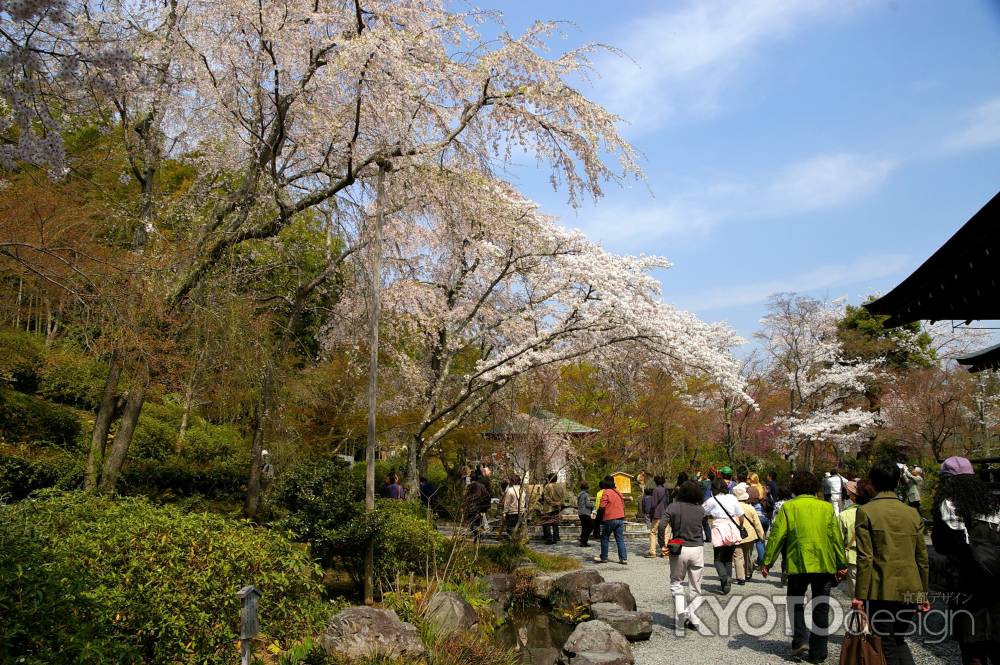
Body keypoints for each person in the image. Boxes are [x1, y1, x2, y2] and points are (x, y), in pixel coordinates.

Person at [762, 471, 848, 664]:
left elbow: (777, 535)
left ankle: (800, 639)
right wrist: (841, 563)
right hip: (824, 563)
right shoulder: (826, 508)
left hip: (798, 561)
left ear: (795, 488)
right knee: (821, 606)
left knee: (795, 601)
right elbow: (835, 537)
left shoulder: (789, 507)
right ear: (815, 488)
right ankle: (818, 652)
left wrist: (767, 561)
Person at [853, 459, 929, 665]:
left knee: (885, 641)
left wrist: (860, 595)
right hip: (911, 587)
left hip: (881, 588)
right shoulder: (912, 513)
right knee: (898, 638)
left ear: (872, 482)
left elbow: (865, 557)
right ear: (897, 482)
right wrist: (923, 593)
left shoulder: (866, 511)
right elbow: (922, 557)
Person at [931, 456, 1000, 665]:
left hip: (966, 584)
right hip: (995, 581)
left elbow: (943, 545)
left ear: (947, 481)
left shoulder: (948, 505)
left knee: (972, 649)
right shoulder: (992, 504)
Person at [663, 480, 708, 631]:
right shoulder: (701, 510)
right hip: (697, 548)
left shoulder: (673, 506)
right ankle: (694, 619)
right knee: (695, 586)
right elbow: (704, 528)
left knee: (676, 583)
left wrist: (662, 544)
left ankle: (681, 615)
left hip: (678, 548)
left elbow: (662, 525)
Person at [703, 478, 743, 594]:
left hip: (719, 528)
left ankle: (724, 577)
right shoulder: (732, 498)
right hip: (732, 528)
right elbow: (741, 515)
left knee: (718, 559)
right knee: (728, 558)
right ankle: (726, 585)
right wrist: (740, 527)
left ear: (714, 489)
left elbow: (702, 511)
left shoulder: (712, 500)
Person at [733, 484, 766, 584]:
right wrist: (762, 535)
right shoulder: (750, 508)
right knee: (748, 555)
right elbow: (757, 523)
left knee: (738, 556)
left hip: (736, 534)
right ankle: (748, 573)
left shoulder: (732, 507)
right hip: (749, 535)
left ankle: (740, 577)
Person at [594, 478, 628, 565]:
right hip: (620, 518)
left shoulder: (606, 492)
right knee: (620, 539)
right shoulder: (618, 493)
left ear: (606, 486)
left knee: (605, 537)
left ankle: (604, 557)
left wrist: (598, 519)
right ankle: (623, 558)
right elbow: (623, 505)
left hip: (610, 519)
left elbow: (602, 507)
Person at [648, 476, 670, 558]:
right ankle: (665, 552)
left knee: (653, 532)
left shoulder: (655, 490)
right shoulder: (666, 490)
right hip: (666, 514)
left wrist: (650, 512)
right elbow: (668, 502)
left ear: (656, 482)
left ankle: (652, 552)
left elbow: (653, 504)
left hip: (657, 514)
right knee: (666, 533)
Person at [542, 474, 567, 544]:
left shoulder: (547, 486)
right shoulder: (560, 486)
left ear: (549, 479)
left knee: (546, 523)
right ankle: (556, 537)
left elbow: (546, 497)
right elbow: (563, 497)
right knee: (555, 522)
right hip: (557, 507)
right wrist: (558, 503)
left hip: (548, 508)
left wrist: (553, 503)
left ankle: (549, 539)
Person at [577, 481, 595, 547]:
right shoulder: (586, 495)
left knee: (584, 527)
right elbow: (587, 504)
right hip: (586, 513)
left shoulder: (579, 495)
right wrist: (593, 504)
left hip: (580, 512)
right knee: (591, 526)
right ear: (587, 488)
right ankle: (583, 540)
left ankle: (583, 541)